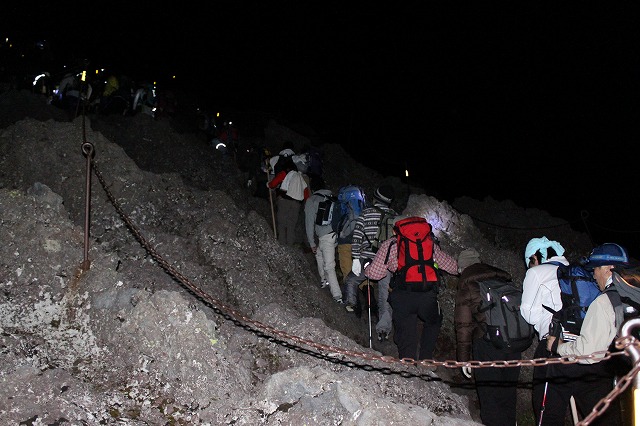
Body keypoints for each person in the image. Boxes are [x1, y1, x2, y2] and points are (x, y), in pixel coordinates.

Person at [543, 243, 630, 426]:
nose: (593, 274)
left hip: (616, 371)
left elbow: (588, 352)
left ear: (608, 269)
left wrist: (558, 346)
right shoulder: (633, 294)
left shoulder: (604, 302)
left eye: (595, 269)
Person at [363, 216, 458, 359]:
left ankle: (408, 367)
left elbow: (375, 274)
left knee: (406, 335)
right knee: (434, 321)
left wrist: (366, 266)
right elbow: (453, 267)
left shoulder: (391, 244)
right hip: (427, 295)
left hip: (403, 296)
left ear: (396, 230)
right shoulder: (429, 242)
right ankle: (426, 359)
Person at [454, 248, 521, 426]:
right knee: (508, 392)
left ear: (463, 268)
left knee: (489, 395)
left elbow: (464, 326)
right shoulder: (501, 279)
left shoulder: (467, 286)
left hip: (488, 345)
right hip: (513, 343)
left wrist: (463, 359)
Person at [519, 236, 567, 424]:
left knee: (545, 407)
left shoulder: (537, 272)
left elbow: (529, 314)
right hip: (583, 346)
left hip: (552, 344)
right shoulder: (574, 271)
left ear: (535, 258)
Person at [344, 184, 396, 341]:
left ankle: (352, 306)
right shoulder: (394, 216)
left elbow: (357, 238)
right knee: (384, 296)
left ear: (376, 198)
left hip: (366, 260)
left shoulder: (365, 213)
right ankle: (383, 330)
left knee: (351, 280)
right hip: (386, 262)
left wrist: (355, 259)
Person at [304, 177, 343, 304]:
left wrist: (311, 242)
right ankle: (323, 280)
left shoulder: (312, 200)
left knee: (329, 266)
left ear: (313, 188)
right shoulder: (332, 197)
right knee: (319, 254)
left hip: (326, 237)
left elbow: (309, 223)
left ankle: (337, 296)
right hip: (336, 234)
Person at [267, 154, 309, 246]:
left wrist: (268, 185)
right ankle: (290, 245)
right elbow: (306, 194)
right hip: (296, 204)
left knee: (282, 222)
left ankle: (281, 244)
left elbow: (273, 184)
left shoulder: (285, 173)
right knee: (291, 224)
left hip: (284, 201)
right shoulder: (300, 176)